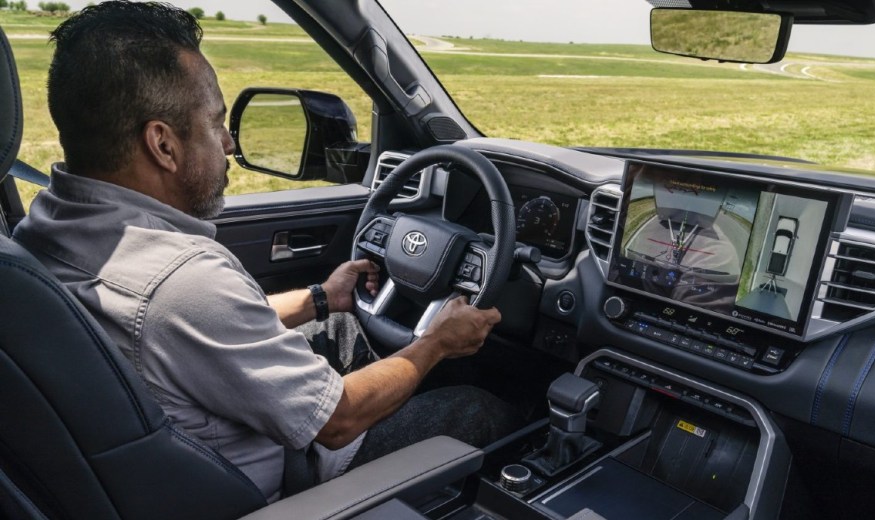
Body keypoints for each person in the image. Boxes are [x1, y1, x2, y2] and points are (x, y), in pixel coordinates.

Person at [12, 0, 519, 502]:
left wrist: (322, 297)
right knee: (476, 408)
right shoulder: (181, 279)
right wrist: (436, 343)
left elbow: (188, 330)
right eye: (215, 122)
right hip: (288, 486)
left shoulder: (45, 225)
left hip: (177, 448)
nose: (230, 143)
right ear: (162, 146)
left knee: (342, 326)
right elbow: (338, 421)